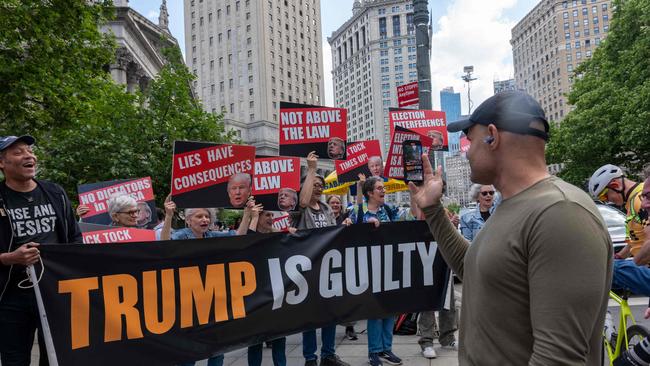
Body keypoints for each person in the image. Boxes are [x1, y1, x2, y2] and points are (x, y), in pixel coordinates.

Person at [408, 91, 611, 365]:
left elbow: (558, 357)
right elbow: (474, 268)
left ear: (492, 136)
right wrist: (432, 210)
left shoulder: (560, 212)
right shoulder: (513, 204)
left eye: (469, 138)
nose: (466, 150)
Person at [0, 135, 82, 366]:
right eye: (17, 152)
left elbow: (75, 238)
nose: (29, 156)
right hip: (10, 297)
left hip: (54, 291)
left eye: (29, 151)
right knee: (14, 360)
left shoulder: (55, 193)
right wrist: (10, 258)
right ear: (2, 163)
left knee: (57, 358)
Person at [162, 198, 254, 366]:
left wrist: (247, 213)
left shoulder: (211, 236)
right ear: (189, 221)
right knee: (189, 346)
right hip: (188, 300)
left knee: (217, 344)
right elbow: (164, 245)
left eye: (207, 216)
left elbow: (237, 237)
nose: (204, 219)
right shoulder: (181, 236)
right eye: (199, 216)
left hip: (212, 297)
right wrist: (168, 216)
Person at [295, 151, 349, 366]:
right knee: (310, 317)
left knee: (330, 314)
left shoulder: (327, 209)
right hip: (308, 269)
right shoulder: (301, 209)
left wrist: (341, 228)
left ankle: (328, 354)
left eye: (320, 184)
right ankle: (310, 358)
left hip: (328, 268)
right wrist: (311, 170)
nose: (318, 187)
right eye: (313, 184)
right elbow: (304, 199)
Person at [350, 176, 402, 366]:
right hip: (368, 268)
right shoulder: (357, 211)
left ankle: (386, 349)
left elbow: (405, 226)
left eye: (384, 188)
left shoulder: (389, 210)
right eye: (379, 188)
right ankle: (374, 351)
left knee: (390, 309)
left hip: (389, 266)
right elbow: (348, 232)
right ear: (370, 193)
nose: (383, 191)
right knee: (374, 310)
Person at [589, 164, 650, 295]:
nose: (607, 201)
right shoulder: (631, 202)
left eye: (604, 196)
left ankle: (603, 314)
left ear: (616, 185)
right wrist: (619, 256)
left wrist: (636, 262)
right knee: (613, 266)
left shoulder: (640, 200)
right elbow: (636, 240)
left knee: (603, 270)